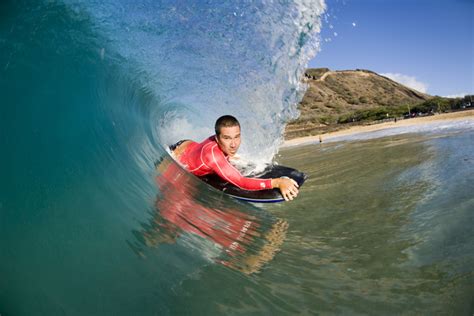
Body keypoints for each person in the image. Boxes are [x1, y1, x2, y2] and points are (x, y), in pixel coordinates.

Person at [169, 115, 299, 201]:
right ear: (217, 138)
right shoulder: (213, 157)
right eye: (227, 138)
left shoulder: (218, 142)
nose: (233, 144)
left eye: (236, 137)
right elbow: (241, 182)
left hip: (187, 145)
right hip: (176, 159)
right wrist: (277, 182)